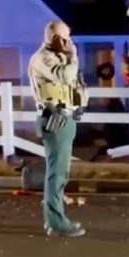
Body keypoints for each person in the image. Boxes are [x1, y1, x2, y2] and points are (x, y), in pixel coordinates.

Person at [28, 20, 89, 237]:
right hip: (54, 119)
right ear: (57, 39)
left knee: (61, 172)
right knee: (57, 174)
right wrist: (73, 57)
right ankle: (56, 222)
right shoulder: (43, 59)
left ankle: (55, 219)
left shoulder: (58, 58)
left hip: (65, 117)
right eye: (66, 39)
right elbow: (65, 76)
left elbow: (73, 84)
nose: (69, 43)